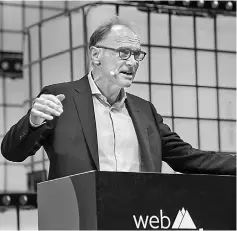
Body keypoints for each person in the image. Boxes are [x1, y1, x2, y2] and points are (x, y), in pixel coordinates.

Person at [1, 17, 236, 180]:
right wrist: (32, 122)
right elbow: (13, 152)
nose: (132, 62)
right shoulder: (60, 98)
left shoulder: (146, 111)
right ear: (96, 55)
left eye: (137, 55)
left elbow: (187, 158)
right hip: (81, 218)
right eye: (123, 53)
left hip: (140, 218)